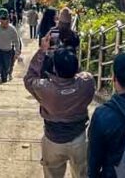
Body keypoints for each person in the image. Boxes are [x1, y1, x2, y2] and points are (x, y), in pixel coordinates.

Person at [25, 35, 96, 178]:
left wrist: (42, 51)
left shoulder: (44, 88)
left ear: (55, 69)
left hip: (53, 140)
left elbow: (29, 79)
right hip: (79, 139)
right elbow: (83, 74)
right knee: (82, 174)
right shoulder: (87, 82)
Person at [0, 9, 22, 82]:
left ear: (8, 21)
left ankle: (3, 75)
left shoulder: (12, 29)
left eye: (6, 21)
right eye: (2, 21)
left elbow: (16, 41)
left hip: (7, 50)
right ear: (0, 21)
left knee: (7, 66)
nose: (4, 23)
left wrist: (17, 52)